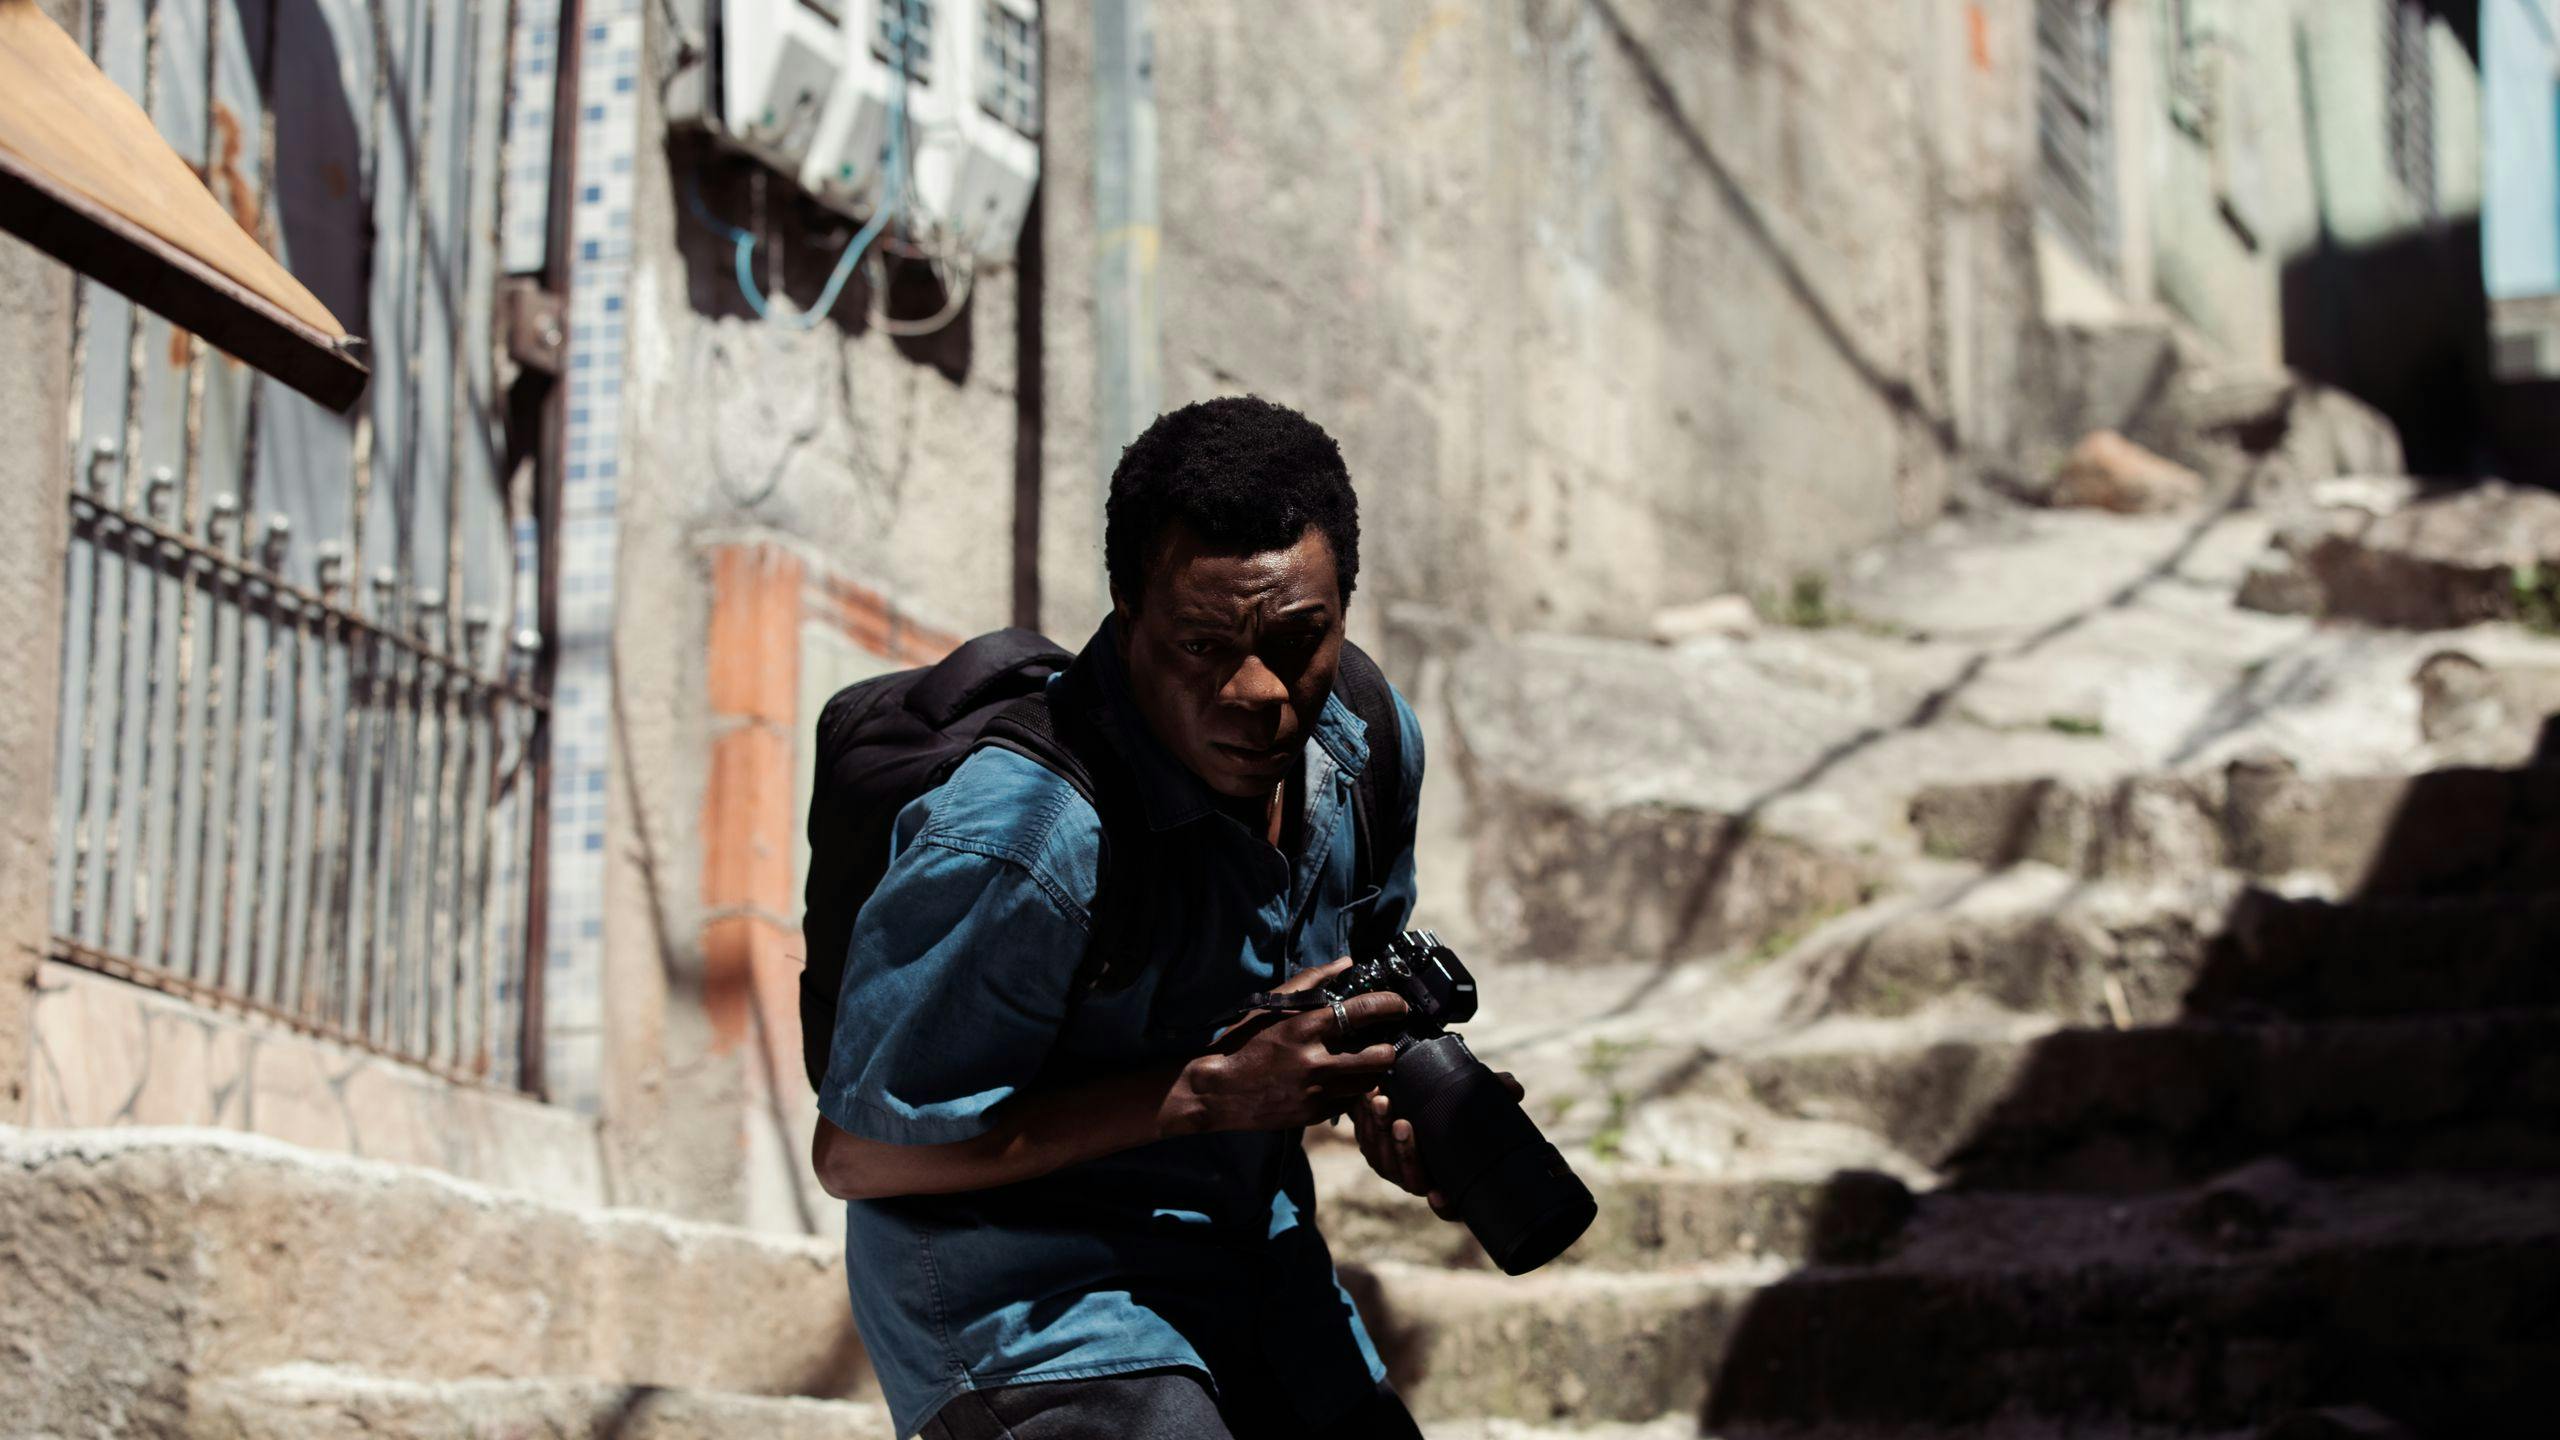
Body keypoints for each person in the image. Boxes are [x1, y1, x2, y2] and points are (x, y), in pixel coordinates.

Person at [809, 396, 1515, 1439]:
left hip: (1246, 1245)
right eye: (1200, 644)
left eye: (1296, 640)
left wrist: (1388, 1105)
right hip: (1016, 1291)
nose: (1256, 690)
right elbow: (857, 1156)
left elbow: (1353, 983)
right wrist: (1202, 1094)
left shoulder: (1362, 743)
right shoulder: (1024, 837)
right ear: (1127, 611)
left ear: (1343, 613)